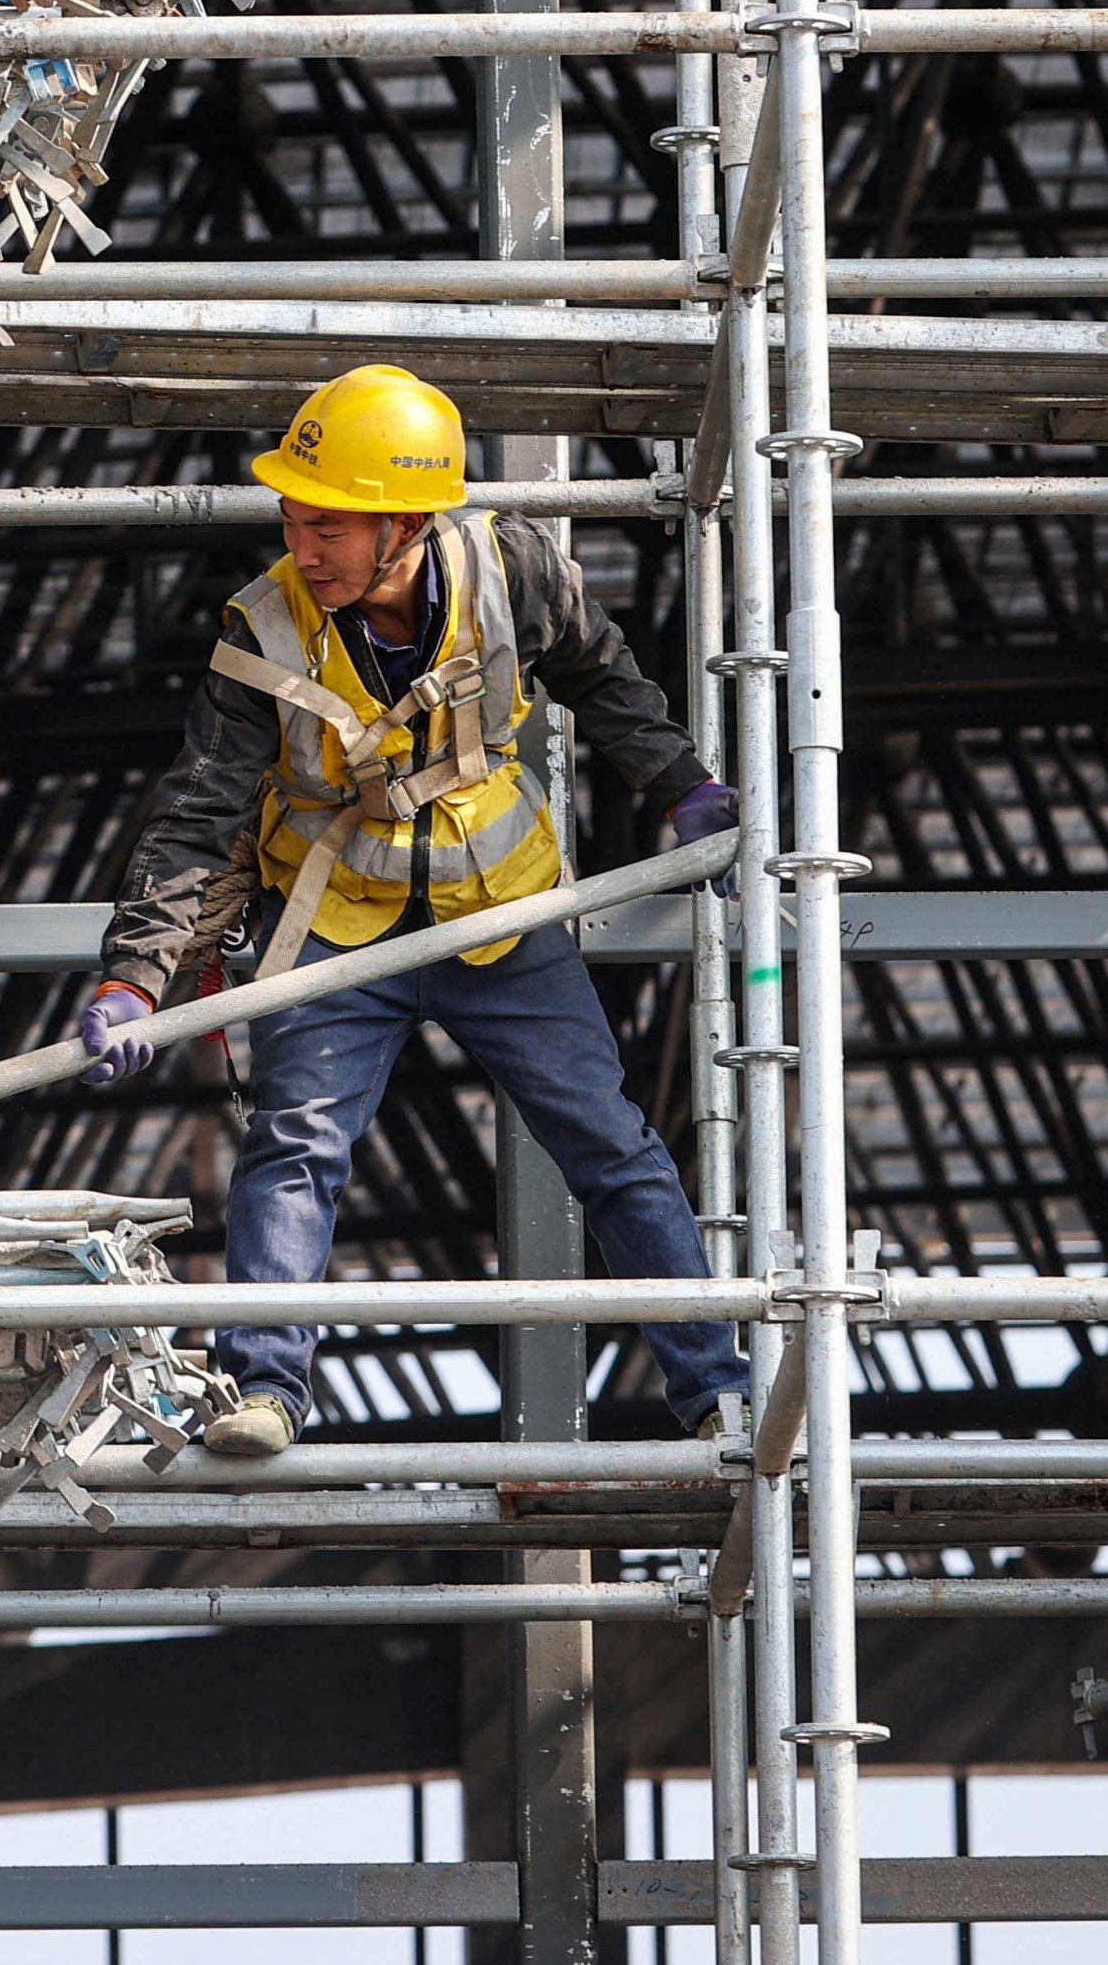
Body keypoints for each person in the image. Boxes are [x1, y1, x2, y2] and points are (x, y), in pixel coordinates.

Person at [83, 363, 752, 1457]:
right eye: (295, 520)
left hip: (500, 917)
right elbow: (200, 814)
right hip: (337, 923)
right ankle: (264, 1391)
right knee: (293, 1148)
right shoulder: (263, 626)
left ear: (407, 522)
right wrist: (133, 977)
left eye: (330, 529)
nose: (303, 548)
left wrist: (679, 784)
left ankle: (715, 1389)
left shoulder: (513, 569)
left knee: (610, 1144)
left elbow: (604, 674)